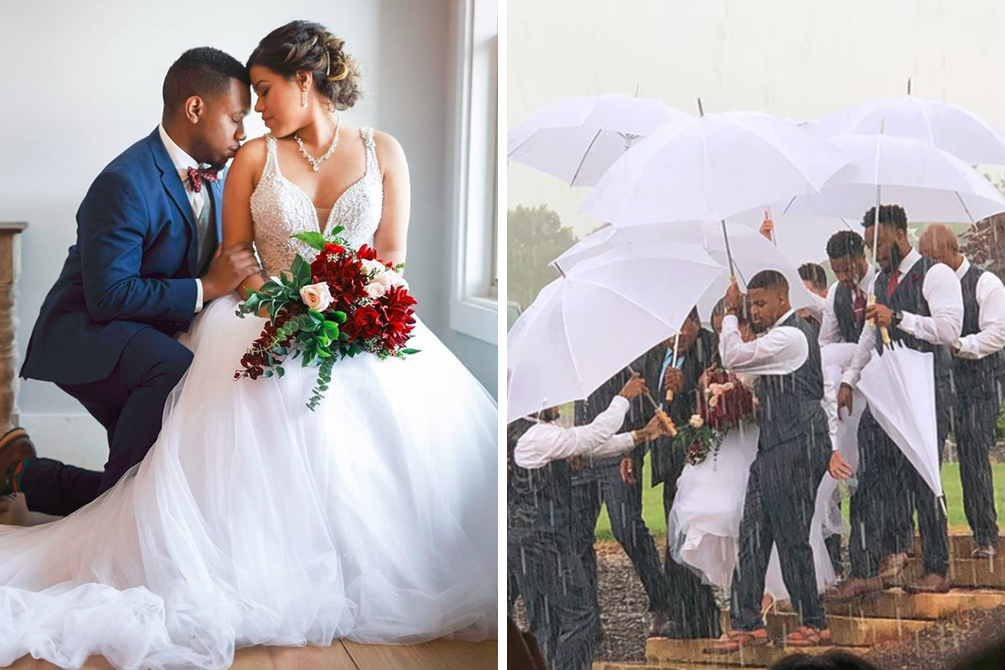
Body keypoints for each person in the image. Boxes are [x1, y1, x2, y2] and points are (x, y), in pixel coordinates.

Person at [0, 21, 497, 669]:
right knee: (155, 459)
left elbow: (390, 256)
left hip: (351, 314)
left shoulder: (376, 151)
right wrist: (281, 302)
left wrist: (359, 303)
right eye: (244, 105)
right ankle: (82, 497)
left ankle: (60, 485)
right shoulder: (208, 166)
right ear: (197, 108)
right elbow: (228, 260)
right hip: (159, 323)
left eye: (262, 92)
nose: (254, 114)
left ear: (303, 80)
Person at [8, 48, 258, 515]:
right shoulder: (124, 181)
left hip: (144, 330)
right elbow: (109, 295)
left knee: (145, 484)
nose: (243, 133)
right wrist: (207, 288)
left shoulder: (219, 177)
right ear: (195, 108)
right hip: (87, 331)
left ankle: (24, 476)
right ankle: (44, 484)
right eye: (236, 118)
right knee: (172, 371)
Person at [828, 205, 962, 602]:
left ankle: (937, 568)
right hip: (887, 391)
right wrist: (850, 378)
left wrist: (899, 317)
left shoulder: (935, 274)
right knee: (869, 476)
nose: (874, 252)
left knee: (924, 476)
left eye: (879, 243)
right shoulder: (879, 281)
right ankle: (865, 568)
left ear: (900, 236)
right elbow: (870, 334)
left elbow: (949, 330)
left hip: (927, 388)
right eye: (870, 244)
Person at [508, 375, 674, 670]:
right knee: (580, 618)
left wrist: (641, 435)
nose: (560, 404)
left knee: (546, 622)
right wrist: (624, 397)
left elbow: (589, 447)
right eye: (553, 399)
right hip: (544, 539)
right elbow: (591, 436)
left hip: (524, 539)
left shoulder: (523, 433)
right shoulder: (536, 436)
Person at [705, 271, 832, 653]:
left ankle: (814, 621)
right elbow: (749, 376)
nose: (755, 311)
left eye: (760, 304)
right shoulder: (778, 337)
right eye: (751, 305)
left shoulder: (791, 335)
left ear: (782, 298)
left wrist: (731, 313)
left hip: (797, 442)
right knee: (753, 532)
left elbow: (733, 356)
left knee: (792, 536)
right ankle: (746, 622)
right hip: (774, 444)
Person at [920, 224, 1004, 559]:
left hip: (981, 382)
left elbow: (998, 334)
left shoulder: (985, 283)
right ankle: (929, 541)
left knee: (972, 452)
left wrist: (959, 345)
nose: (932, 266)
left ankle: (985, 535)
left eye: (936, 257)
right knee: (926, 457)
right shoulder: (928, 288)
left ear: (955, 251)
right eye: (926, 259)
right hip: (940, 383)